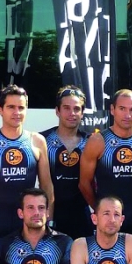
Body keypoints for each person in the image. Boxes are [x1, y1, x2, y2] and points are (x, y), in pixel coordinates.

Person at [0, 85, 54, 264]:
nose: (17, 112)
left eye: (21, 107)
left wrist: (47, 222)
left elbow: (47, 186)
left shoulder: (37, 141)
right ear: (0, 109)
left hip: (28, 223)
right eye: (11, 107)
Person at [80, 89, 132, 249]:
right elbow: (84, 183)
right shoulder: (98, 141)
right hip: (107, 221)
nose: (127, 115)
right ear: (112, 110)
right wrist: (100, 210)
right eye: (122, 109)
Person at [42, 86, 93, 239]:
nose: (72, 113)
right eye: (66, 108)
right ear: (57, 111)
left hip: (82, 216)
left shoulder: (91, 141)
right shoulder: (42, 140)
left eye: (76, 109)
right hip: (50, 215)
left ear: (82, 113)